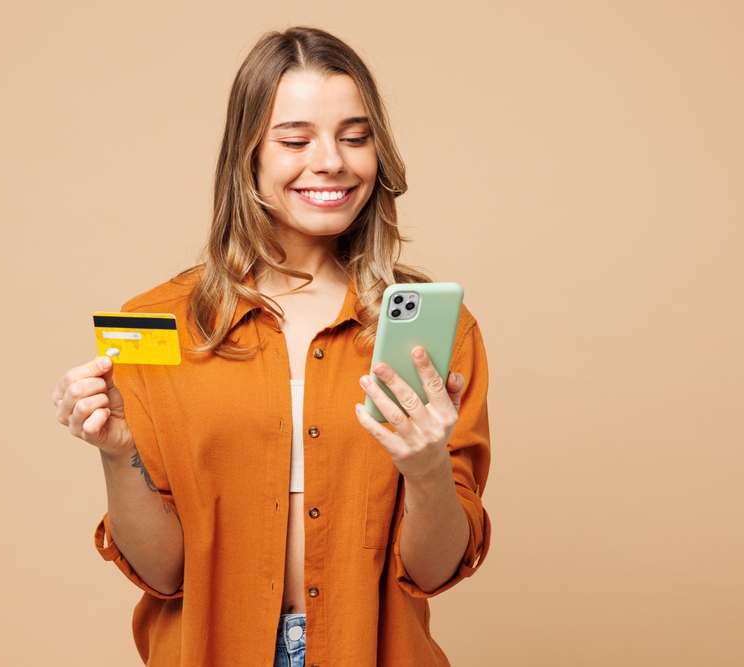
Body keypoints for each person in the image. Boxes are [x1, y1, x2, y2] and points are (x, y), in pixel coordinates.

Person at [52, 26, 490, 667]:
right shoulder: (158, 324)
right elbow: (163, 573)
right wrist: (119, 458)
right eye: (295, 139)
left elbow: (435, 569)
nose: (332, 161)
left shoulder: (436, 334)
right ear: (248, 153)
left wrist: (426, 471)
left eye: (355, 136)